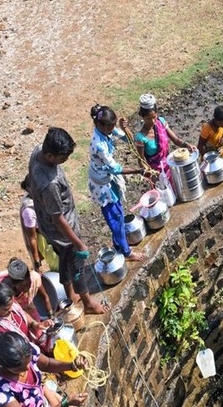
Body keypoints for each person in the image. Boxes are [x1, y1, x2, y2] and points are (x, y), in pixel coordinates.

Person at [28, 127, 109, 315]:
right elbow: (58, 218)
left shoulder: (37, 151)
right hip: (62, 231)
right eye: (63, 158)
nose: (66, 161)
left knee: (64, 261)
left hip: (48, 225)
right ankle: (88, 303)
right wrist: (79, 244)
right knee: (76, 265)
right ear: (49, 155)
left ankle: (70, 293)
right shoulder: (49, 185)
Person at [88, 104, 147, 262]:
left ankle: (120, 245)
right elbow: (115, 168)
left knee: (117, 212)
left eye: (114, 126)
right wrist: (139, 170)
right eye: (111, 126)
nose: (113, 129)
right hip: (102, 183)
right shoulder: (98, 144)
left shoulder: (106, 129)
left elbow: (129, 140)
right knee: (115, 217)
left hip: (107, 178)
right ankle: (127, 253)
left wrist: (124, 128)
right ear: (100, 125)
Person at [0, 279, 57, 376]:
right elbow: (9, 363)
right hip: (15, 368)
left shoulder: (8, 305)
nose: (11, 310)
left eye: (12, 304)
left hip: (25, 354)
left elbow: (21, 313)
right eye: (6, 309)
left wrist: (34, 324)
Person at [120, 93, 195, 180]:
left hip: (171, 166)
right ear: (142, 116)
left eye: (154, 117)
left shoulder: (161, 122)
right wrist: (149, 172)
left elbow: (176, 140)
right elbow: (141, 161)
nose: (152, 121)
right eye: (148, 118)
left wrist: (187, 145)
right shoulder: (140, 138)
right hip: (157, 174)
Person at [19, 175, 59, 272]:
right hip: (45, 240)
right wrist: (37, 262)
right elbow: (32, 238)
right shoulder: (29, 210)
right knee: (58, 266)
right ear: (28, 189)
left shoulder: (42, 198)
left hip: (54, 233)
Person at [0, 257, 52, 322]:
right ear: (13, 284)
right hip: (11, 311)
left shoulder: (35, 278)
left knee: (37, 324)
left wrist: (51, 316)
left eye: (28, 285)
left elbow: (45, 297)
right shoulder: (3, 291)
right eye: (23, 287)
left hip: (27, 306)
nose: (27, 289)